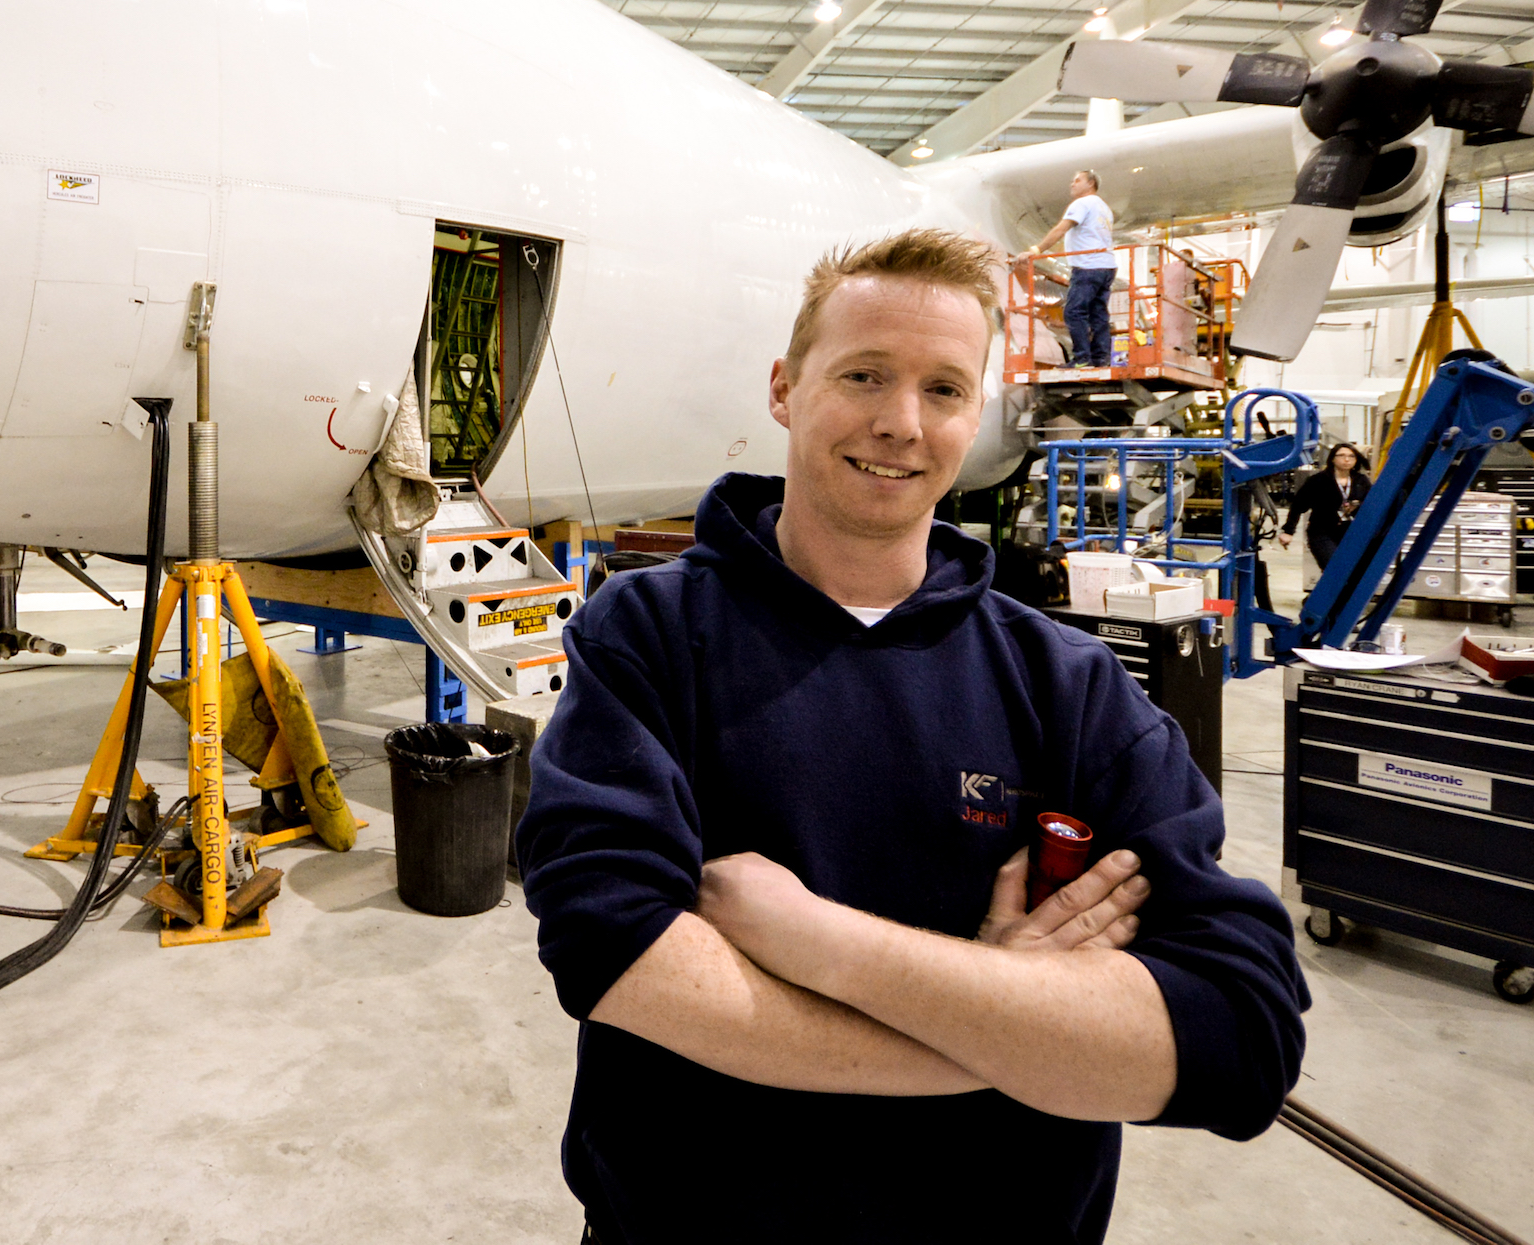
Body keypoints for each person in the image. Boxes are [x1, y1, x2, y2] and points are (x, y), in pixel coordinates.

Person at [516, 227, 1307, 1245]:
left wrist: (818, 940)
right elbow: (611, 951)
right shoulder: (647, 637)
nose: (901, 422)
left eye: (944, 389)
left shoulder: (1070, 688)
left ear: (975, 415)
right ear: (783, 387)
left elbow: (1235, 1041)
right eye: (863, 375)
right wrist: (1012, 1024)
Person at [1017, 170, 1118, 368]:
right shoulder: (1104, 208)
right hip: (1107, 266)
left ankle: (1082, 358)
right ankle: (1100, 358)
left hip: (1087, 266)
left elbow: (1061, 229)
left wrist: (1036, 250)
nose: (1072, 184)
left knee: (1073, 311)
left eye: (1077, 180)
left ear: (1090, 184)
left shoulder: (1082, 204)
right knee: (1098, 313)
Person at [1280, 442, 1372, 574]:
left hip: (1351, 532)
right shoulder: (1318, 480)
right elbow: (1298, 506)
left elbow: (1370, 505)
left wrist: (1357, 505)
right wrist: (1288, 531)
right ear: (1333, 458)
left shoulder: (1361, 481)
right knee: (1333, 569)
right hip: (1322, 532)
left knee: (1355, 572)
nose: (1347, 459)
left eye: (1351, 456)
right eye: (1342, 456)